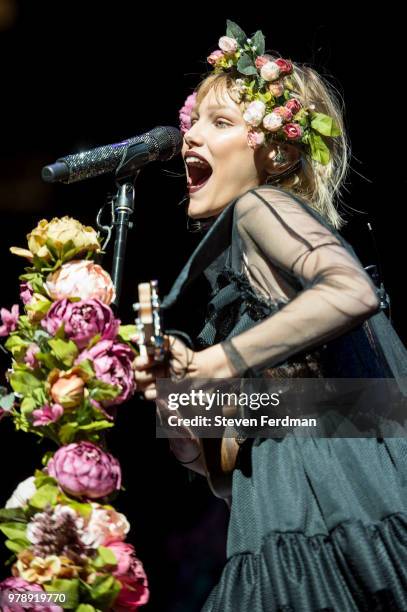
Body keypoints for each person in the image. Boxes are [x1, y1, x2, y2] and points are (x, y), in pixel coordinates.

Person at [134, 20, 407, 611]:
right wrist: (180, 409)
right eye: (192, 122)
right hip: (281, 528)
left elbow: (349, 291)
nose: (189, 139)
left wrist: (214, 362)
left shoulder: (262, 204)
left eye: (220, 123)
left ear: (278, 150)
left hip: (335, 520)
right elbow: (233, 472)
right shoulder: (241, 287)